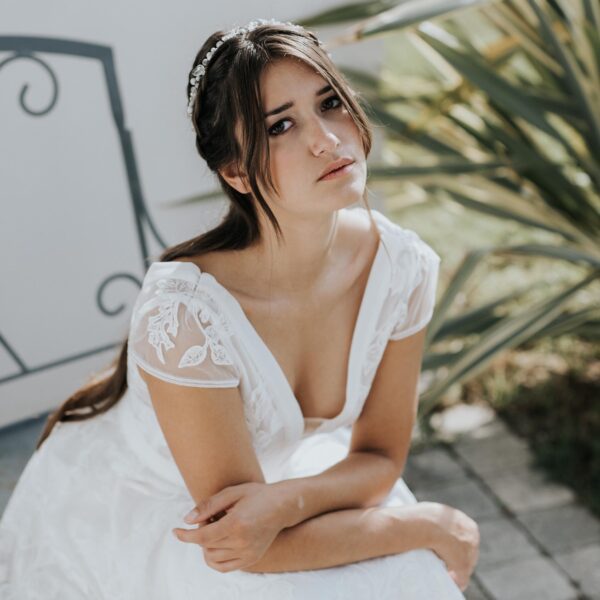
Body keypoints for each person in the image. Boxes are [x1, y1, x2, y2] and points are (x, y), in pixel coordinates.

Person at [0, 18, 479, 599]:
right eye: (280, 126)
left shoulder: (400, 268)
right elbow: (245, 543)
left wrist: (284, 499)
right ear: (235, 173)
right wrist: (431, 524)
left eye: (330, 102)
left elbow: (379, 457)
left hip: (271, 491)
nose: (326, 139)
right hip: (162, 517)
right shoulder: (186, 316)